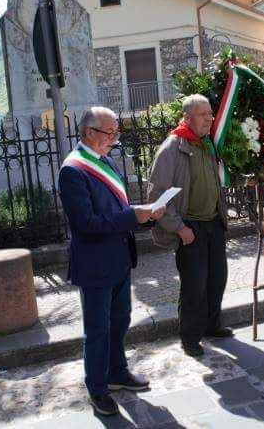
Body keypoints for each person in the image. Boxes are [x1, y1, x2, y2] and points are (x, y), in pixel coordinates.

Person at [58, 106, 165, 417]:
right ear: (89, 132)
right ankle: (97, 388)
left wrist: (143, 213)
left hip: (118, 259)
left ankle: (117, 372)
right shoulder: (73, 170)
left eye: (116, 132)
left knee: (120, 320)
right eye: (110, 132)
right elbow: (87, 223)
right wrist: (133, 215)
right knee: (98, 330)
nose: (115, 138)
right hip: (94, 265)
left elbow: (116, 207)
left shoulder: (104, 161)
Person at [147, 94, 231, 358]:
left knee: (217, 279)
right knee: (194, 285)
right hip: (190, 226)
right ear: (187, 118)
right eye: (203, 114)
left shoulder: (207, 143)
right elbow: (156, 194)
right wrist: (179, 228)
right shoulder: (173, 147)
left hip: (213, 223)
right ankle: (190, 337)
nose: (209, 118)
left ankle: (211, 325)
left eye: (210, 113)